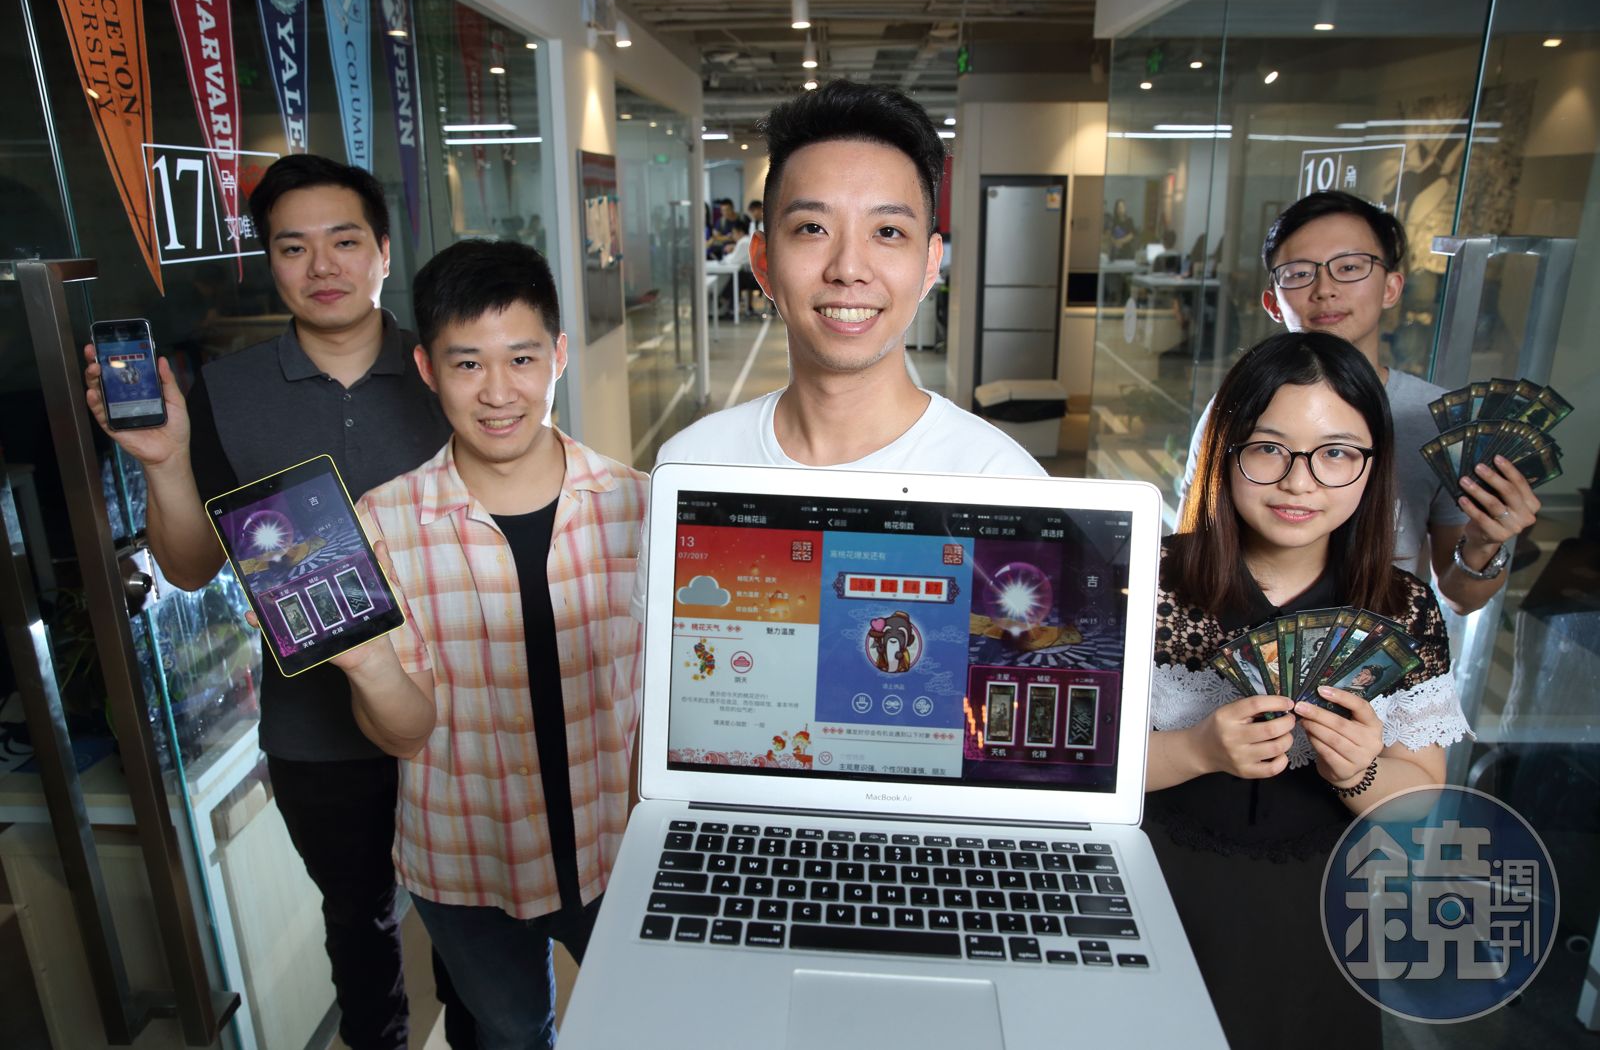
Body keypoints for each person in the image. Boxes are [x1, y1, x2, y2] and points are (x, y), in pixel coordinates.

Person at [81, 154, 470, 1050]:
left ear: (383, 252)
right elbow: (189, 568)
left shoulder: (445, 369)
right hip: (314, 732)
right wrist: (166, 461)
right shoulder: (229, 390)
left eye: (344, 241)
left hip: (460, 712)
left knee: (471, 924)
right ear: (270, 262)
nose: (321, 266)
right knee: (361, 927)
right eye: (294, 248)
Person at [332, 238, 647, 1050]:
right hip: (466, 860)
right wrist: (366, 663)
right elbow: (405, 733)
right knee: (512, 1034)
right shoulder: (380, 523)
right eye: (468, 363)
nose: (499, 392)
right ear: (427, 369)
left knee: (647, 1026)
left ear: (559, 357)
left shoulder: (640, 508)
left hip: (621, 850)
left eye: (522, 359)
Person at [1147, 330, 1469, 1049]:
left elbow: (1417, 803)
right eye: (1269, 449)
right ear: (1223, 451)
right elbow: (1064, 764)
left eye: (1337, 454)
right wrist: (1198, 749)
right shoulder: (1145, 582)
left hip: (1317, 914)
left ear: (1372, 466)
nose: (1300, 482)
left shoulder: (1405, 608)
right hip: (1153, 888)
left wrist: (1360, 771)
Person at [634, 79, 1044, 618]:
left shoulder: (1003, 483)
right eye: (812, 227)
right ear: (763, 262)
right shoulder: (691, 466)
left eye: (888, 232)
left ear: (929, 264)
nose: (848, 268)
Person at [1180, 191, 1539, 613]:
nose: (1325, 290)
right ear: (1273, 301)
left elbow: (1461, 597)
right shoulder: (1231, 405)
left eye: (1349, 267)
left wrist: (1483, 544)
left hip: (1372, 644)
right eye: (1299, 273)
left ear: (1391, 287)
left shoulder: (1438, 422)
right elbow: (1192, 545)